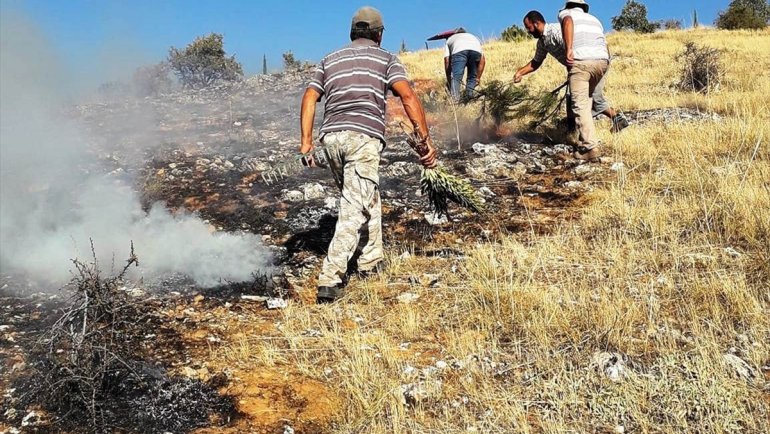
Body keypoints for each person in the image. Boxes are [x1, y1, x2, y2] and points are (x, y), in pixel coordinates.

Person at [300, 6, 438, 303]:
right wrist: (424, 141)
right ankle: (331, 277)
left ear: (352, 32)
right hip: (363, 138)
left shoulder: (329, 59)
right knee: (353, 207)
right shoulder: (387, 58)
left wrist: (306, 142)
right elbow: (408, 96)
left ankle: (371, 261)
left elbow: (310, 96)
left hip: (332, 139)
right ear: (379, 34)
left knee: (366, 197)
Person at [514, 10, 629, 141]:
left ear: (536, 23)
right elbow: (536, 62)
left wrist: (574, 71)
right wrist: (520, 73)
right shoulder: (542, 42)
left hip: (592, 61)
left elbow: (573, 48)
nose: (528, 31)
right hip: (579, 67)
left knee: (592, 97)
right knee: (574, 98)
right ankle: (572, 132)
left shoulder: (556, 31)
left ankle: (601, 133)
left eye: (528, 27)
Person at [444, 28, 486, 100]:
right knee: (472, 78)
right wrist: (478, 78)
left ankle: (455, 101)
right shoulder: (473, 37)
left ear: (455, 34)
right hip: (476, 52)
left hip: (459, 52)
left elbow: (447, 60)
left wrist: (449, 78)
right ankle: (469, 99)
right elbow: (483, 60)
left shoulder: (450, 39)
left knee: (456, 78)